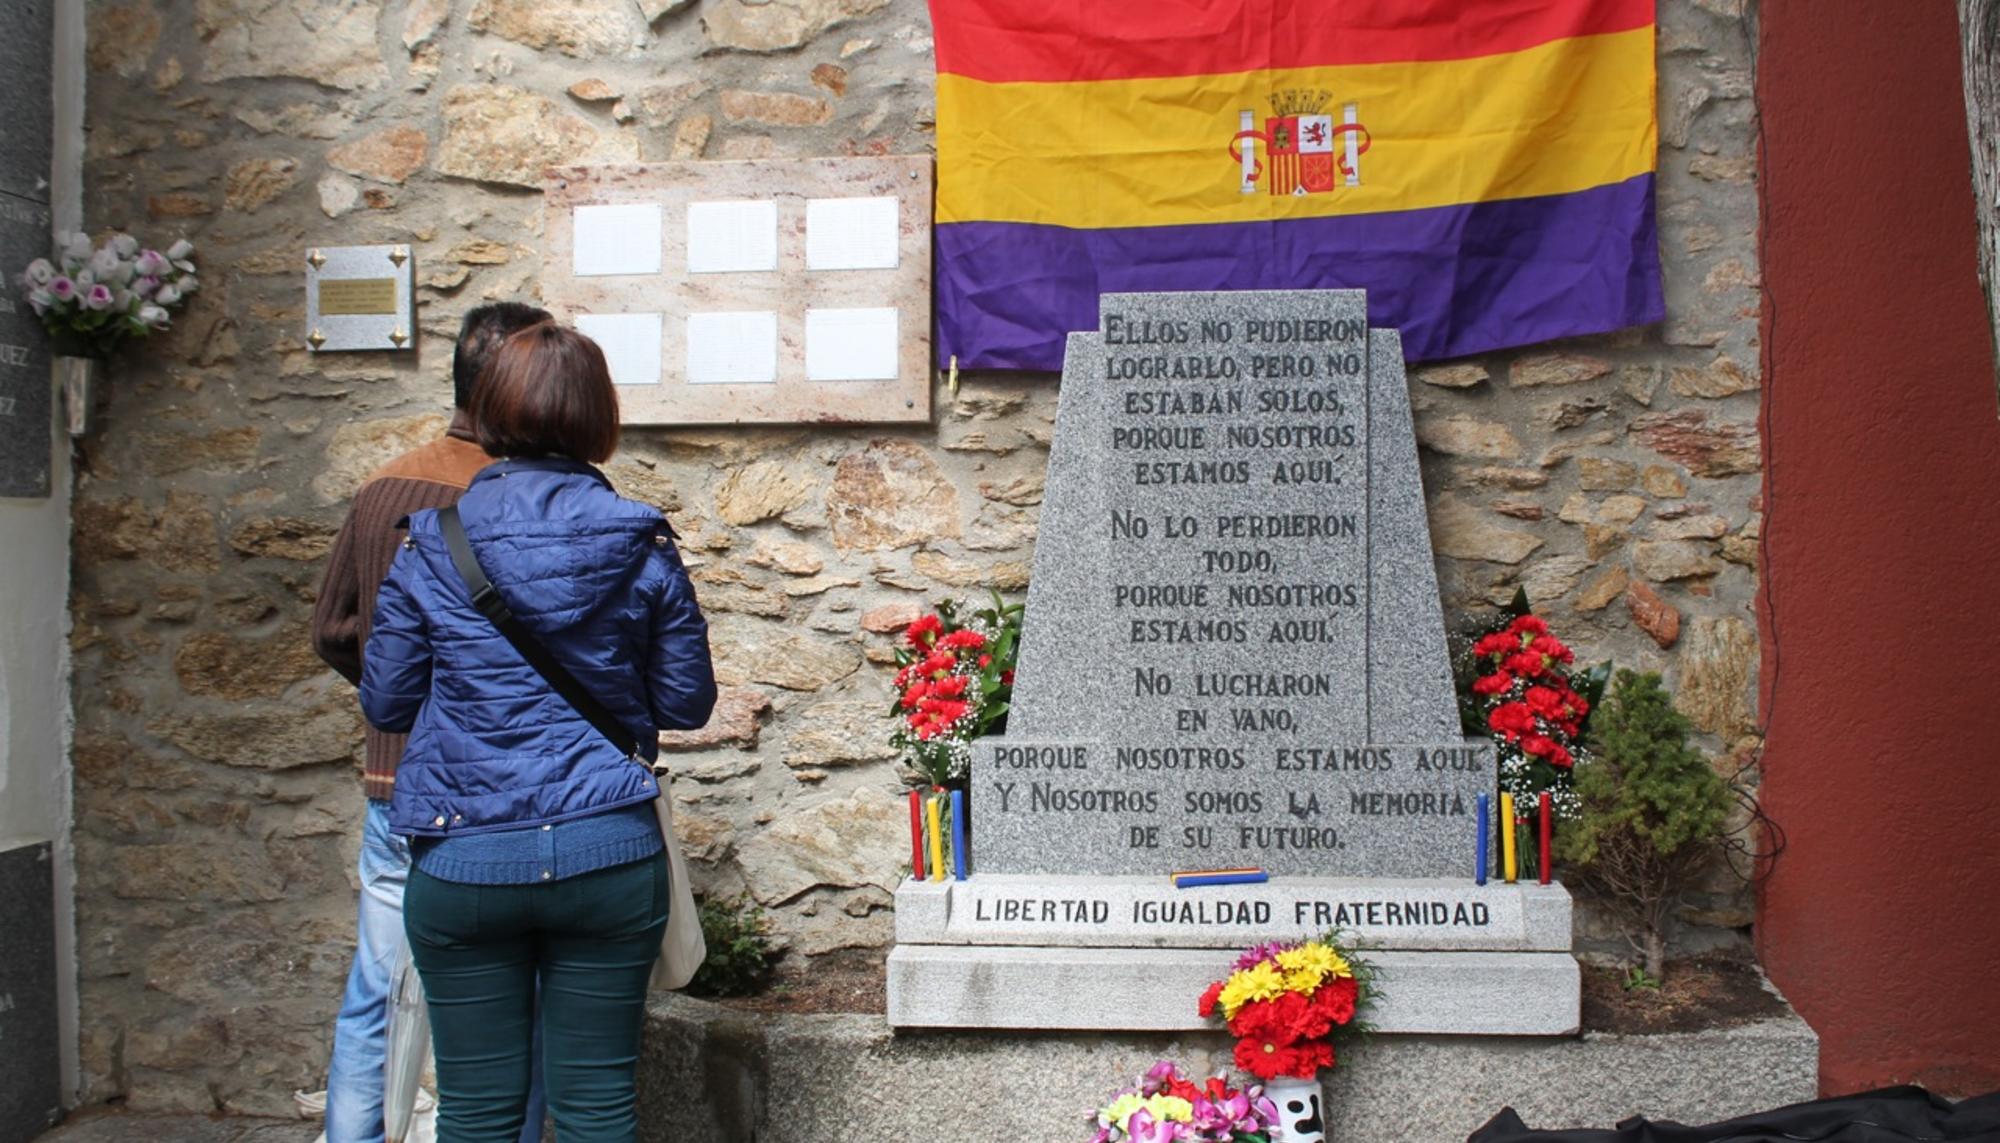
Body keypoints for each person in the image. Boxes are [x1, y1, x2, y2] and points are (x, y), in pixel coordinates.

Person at [358, 322, 716, 1143]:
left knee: (476, 1113)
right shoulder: (641, 541)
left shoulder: (432, 543)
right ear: (601, 417)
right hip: (607, 851)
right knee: (596, 1109)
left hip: (464, 852)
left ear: (487, 410)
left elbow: (387, 701)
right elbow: (686, 702)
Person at [311, 301, 553, 1143]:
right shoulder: (517, 499)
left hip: (392, 772)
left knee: (375, 985)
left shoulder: (386, 484)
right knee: (509, 995)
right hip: (490, 788)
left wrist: (397, 699)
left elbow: (334, 628)